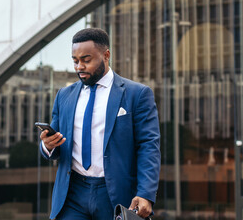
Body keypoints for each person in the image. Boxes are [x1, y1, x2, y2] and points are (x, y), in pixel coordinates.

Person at [40, 28, 160, 220]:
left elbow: (148, 146)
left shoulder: (137, 94)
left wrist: (146, 193)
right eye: (75, 60)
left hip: (115, 194)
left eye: (86, 60)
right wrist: (47, 146)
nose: (79, 66)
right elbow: (55, 143)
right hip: (72, 193)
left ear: (106, 55)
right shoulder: (64, 96)